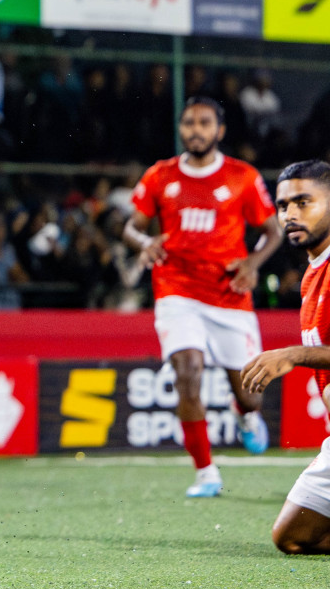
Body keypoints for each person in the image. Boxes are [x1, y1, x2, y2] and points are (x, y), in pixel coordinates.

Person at [123, 97, 282, 497]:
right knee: (188, 372)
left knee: (249, 394)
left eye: (204, 123)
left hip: (229, 296)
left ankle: (245, 416)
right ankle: (206, 472)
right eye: (189, 122)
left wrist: (253, 263)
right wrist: (144, 242)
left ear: (220, 130)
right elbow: (132, 226)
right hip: (176, 290)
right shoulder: (160, 176)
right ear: (181, 128)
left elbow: (273, 230)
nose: (196, 129)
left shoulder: (242, 176)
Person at [242, 161, 330, 553]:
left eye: (303, 202)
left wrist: (294, 355)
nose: (290, 214)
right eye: (282, 206)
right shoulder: (314, 272)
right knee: (291, 538)